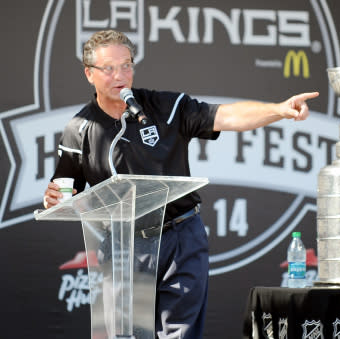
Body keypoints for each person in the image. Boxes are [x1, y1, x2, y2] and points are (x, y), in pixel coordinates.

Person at [42, 29, 319, 338]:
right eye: (109, 68)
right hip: (125, 245)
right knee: (128, 335)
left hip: (181, 237)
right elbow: (64, 186)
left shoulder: (164, 107)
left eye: (127, 65)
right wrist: (53, 197)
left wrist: (279, 110)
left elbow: (225, 116)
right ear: (89, 74)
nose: (121, 75)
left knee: (181, 334)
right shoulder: (80, 129)